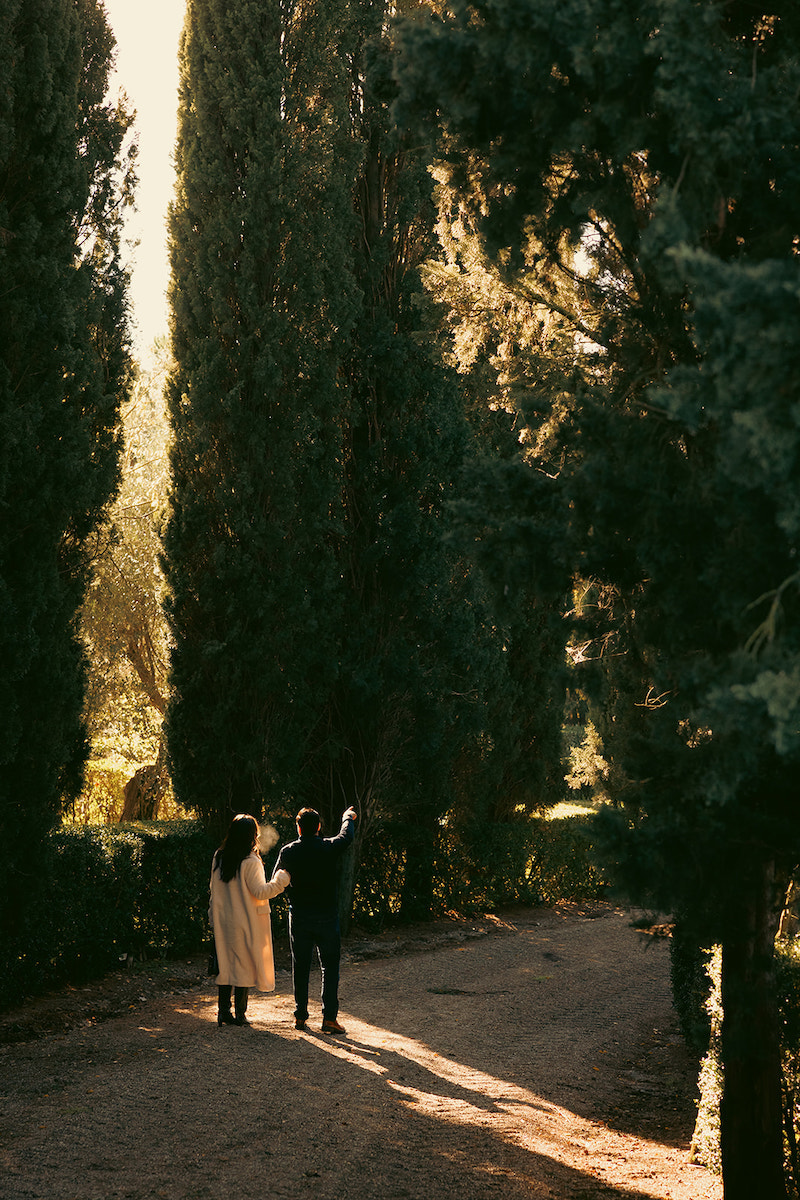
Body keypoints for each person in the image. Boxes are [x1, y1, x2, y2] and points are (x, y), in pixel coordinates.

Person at [275, 806, 357, 1034]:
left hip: (300, 917)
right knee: (329, 968)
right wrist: (347, 817)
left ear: (298, 827)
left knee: (300, 967)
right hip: (327, 917)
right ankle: (329, 1018)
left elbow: (277, 881)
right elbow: (346, 836)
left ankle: (300, 1017)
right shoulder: (328, 847)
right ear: (319, 827)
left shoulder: (288, 851)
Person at [209, 814, 291, 1026]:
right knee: (243, 966)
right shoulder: (250, 861)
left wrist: (211, 917)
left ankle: (223, 1012)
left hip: (223, 921)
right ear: (252, 835)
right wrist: (281, 880)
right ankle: (240, 1014)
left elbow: (213, 891)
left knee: (226, 964)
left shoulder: (219, 856)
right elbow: (260, 892)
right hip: (245, 921)